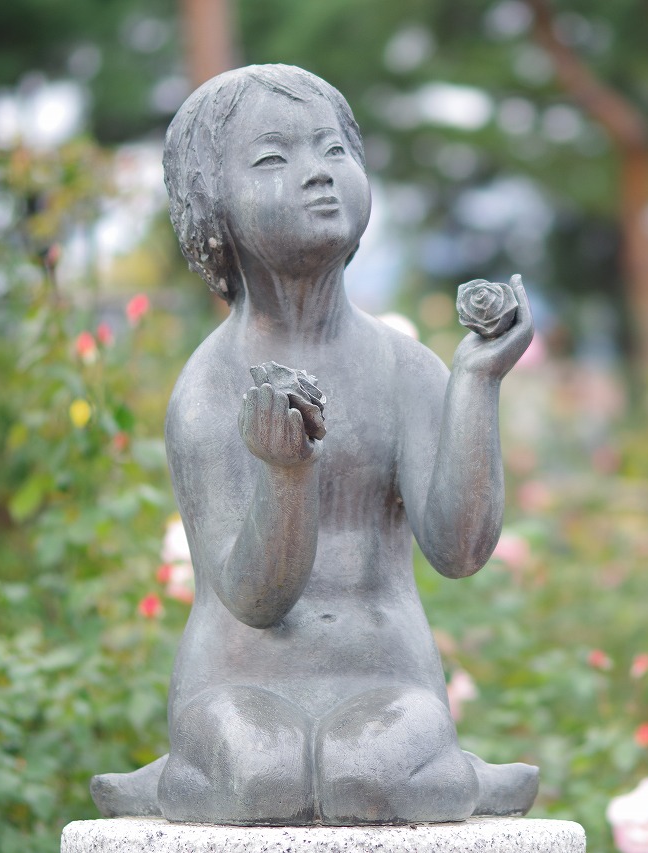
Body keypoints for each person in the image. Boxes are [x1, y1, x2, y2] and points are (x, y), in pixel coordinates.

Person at [90, 64, 538, 826]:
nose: (318, 176)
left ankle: (450, 771)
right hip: (237, 682)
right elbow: (256, 598)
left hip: (387, 678)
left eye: (334, 150)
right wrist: (286, 474)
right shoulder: (208, 387)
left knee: (369, 776)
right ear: (214, 208)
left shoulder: (403, 367)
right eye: (272, 160)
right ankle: (179, 775)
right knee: (261, 780)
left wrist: (475, 382)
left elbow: (459, 549)